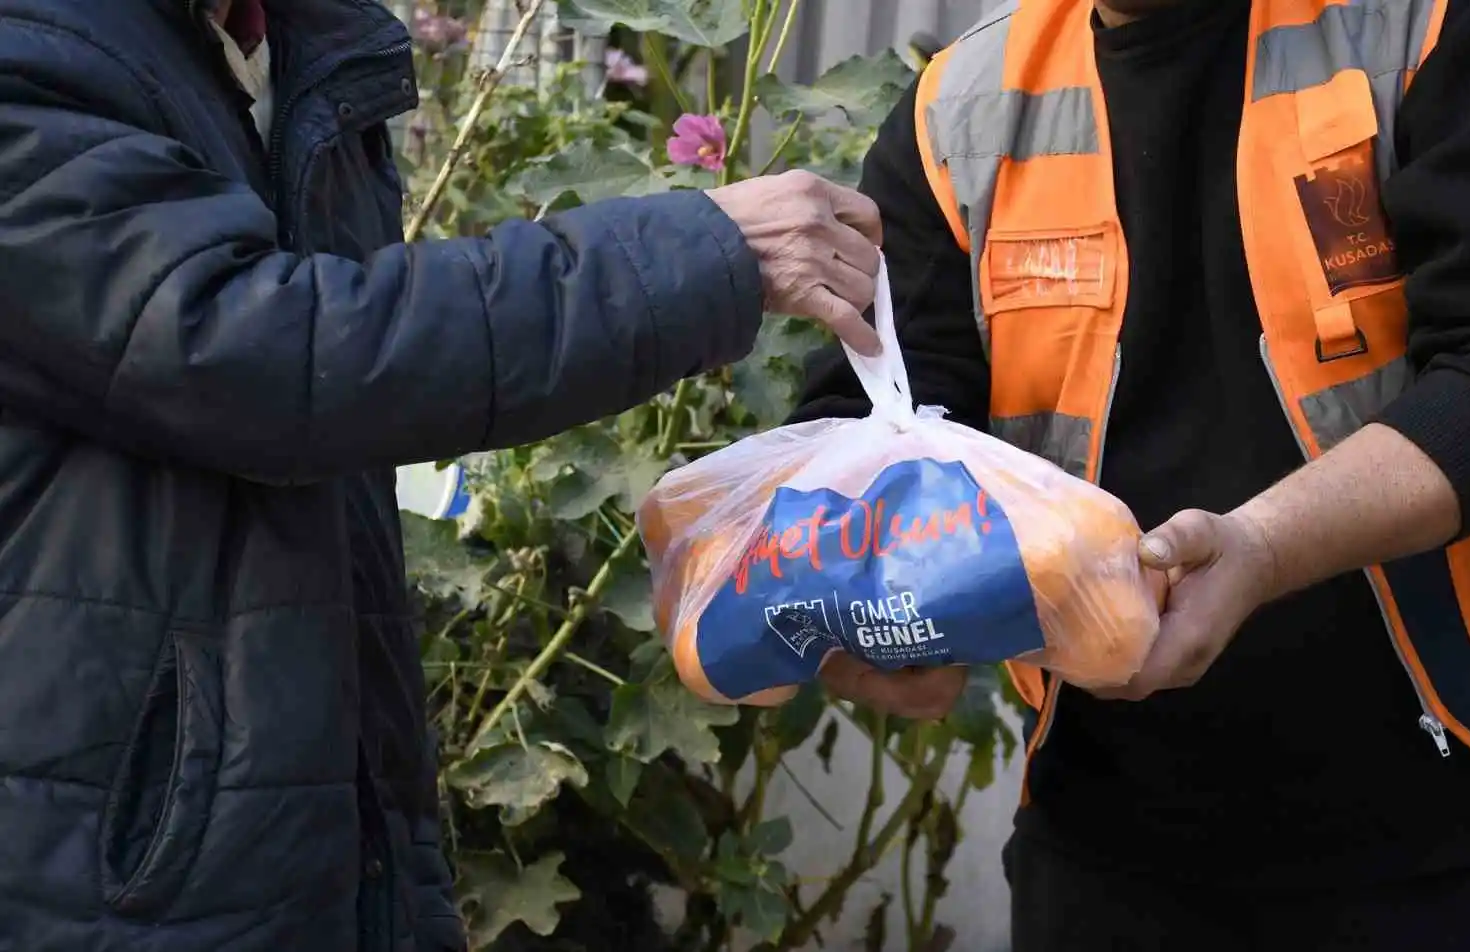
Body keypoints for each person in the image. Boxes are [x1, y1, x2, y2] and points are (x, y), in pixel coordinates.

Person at [0, 1, 890, 950]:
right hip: (98, 857)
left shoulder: (299, 48)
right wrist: (705, 254)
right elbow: (264, 351)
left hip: (288, 821)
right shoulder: (31, 49)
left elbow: (346, 428)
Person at [791, 0, 1470, 948]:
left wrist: (1259, 548)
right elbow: (873, 422)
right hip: (1108, 849)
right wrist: (862, 600)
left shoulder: (1453, 24)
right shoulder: (963, 108)